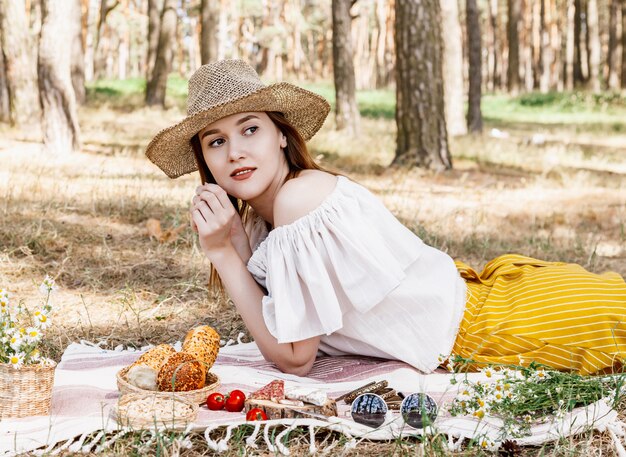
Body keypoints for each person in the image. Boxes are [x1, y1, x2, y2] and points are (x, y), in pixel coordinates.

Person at [146, 59, 626, 377]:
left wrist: (221, 256)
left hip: (500, 328)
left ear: (282, 137)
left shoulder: (299, 202)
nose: (235, 152)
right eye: (215, 141)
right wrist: (233, 240)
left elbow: (293, 357)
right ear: (204, 161)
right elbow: (281, 311)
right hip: (490, 302)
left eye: (250, 129)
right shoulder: (262, 219)